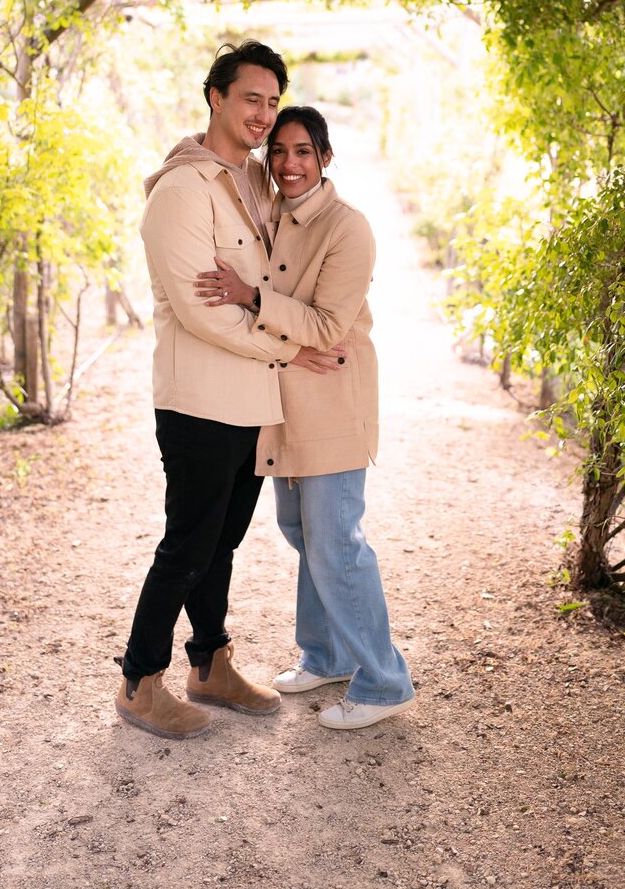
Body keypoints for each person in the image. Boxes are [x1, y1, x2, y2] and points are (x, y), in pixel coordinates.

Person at [116, 44, 344, 740]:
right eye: (251, 98)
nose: (263, 115)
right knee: (187, 544)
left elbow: (271, 277)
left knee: (223, 543)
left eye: (273, 102)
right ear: (214, 96)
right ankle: (138, 681)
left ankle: (210, 665)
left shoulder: (254, 179)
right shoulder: (181, 191)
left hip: (251, 401)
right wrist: (293, 344)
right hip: (197, 403)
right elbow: (202, 311)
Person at [195, 105, 415, 731]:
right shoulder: (274, 216)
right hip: (284, 409)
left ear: (325, 157)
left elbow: (327, 328)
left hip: (333, 406)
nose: (290, 164)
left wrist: (252, 297)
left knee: (336, 544)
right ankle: (328, 654)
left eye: (304, 152)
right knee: (304, 535)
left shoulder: (349, 228)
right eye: (281, 152)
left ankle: (384, 681)